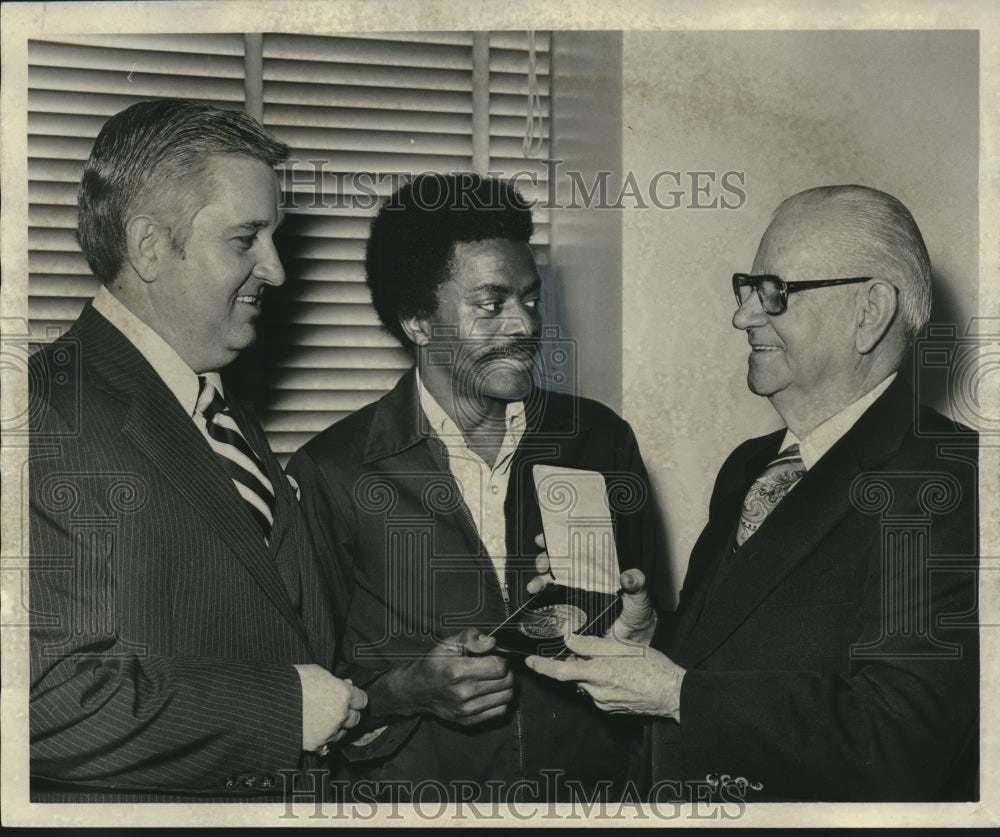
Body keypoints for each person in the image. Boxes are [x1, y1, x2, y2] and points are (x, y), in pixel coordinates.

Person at [527, 185, 979, 802]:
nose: (743, 316)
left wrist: (677, 695)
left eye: (776, 292)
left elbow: (905, 740)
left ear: (870, 311)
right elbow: (727, 658)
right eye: (746, 289)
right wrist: (646, 641)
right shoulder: (750, 466)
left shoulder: (954, 482)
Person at [28, 99, 366, 802]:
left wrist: (397, 692)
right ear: (151, 245)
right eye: (246, 238)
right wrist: (286, 710)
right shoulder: (42, 410)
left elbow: (280, 638)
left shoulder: (222, 411)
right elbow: (47, 700)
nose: (275, 269)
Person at [287, 173, 664, 801]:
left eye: (531, 299)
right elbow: (311, 686)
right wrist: (408, 690)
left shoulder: (600, 441)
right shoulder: (333, 470)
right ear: (416, 320)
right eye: (490, 304)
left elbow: (644, 636)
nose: (523, 325)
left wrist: (635, 630)